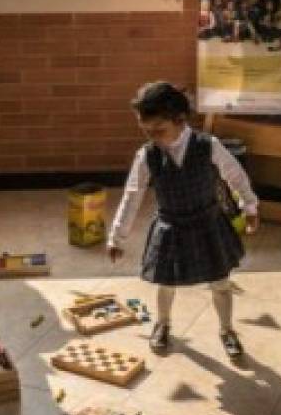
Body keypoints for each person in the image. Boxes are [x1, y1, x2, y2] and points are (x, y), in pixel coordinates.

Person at [108, 82, 259, 359]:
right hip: (171, 227)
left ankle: (227, 330)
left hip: (208, 224)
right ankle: (163, 324)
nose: (153, 137)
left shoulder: (208, 145)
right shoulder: (147, 155)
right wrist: (117, 236)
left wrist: (249, 205)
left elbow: (234, 175)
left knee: (220, 282)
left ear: (180, 119)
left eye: (159, 130)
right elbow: (132, 195)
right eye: (146, 131)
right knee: (166, 283)